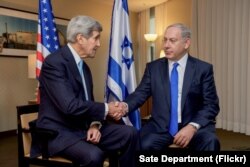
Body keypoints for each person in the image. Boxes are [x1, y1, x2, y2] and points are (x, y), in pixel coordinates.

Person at [34, 15, 137, 167]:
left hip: (83, 129)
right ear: (80, 38)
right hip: (59, 134)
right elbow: (70, 106)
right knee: (94, 156)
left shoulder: (84, 68)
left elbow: (87, 103)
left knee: (130, 133)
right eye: (95, 38)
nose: (99, 44)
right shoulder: (54, 63)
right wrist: (107, 108)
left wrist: (94, 124)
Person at [122, 23, 220, 151]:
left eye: (172, 41)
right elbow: (140, 94)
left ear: (186, 43)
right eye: (165, 40)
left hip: (194, 126)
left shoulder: (203, 69)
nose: (166, 45)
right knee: (141, 145)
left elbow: (211, 105)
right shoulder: (153, 68)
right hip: (160, 127)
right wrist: (124, 106)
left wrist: (192, 126)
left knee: (210, 142)